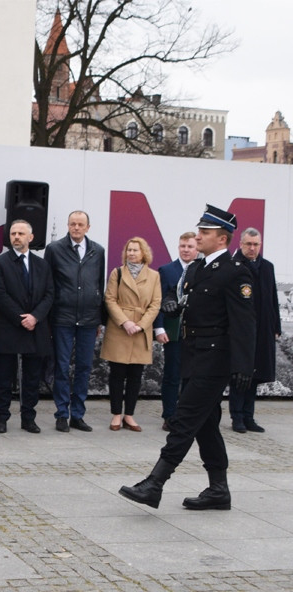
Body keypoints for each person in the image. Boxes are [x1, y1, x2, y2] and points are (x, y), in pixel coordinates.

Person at [119, 204, 254, 511]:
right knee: (206, 423)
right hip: (193, 355)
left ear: (222, 239)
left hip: (215, 359)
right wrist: (171, 305)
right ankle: (219, 489)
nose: (198, 236)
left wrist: (244, 365)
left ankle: (155, 484)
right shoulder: (198, 268)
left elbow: (245, 322)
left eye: (204, 233)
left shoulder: (236, 273)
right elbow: (186, 301)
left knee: (185, 419)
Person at [43, 210, 106, 433]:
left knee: (84, 367)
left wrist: (99, 318)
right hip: (62, 317)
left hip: (89, 319)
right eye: (72, 224)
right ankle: (62, 413)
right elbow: (47, 284)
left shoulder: (98, 251)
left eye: (80, 224)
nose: (76, 228)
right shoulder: (54, 249)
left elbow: (100, 284)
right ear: (67, 226)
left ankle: (77, 414)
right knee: (61, 367)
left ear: (88, 227)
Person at [0, 219, 54, 434]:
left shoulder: (42, 265)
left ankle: (28, 418)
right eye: (13, 233)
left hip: (36, 328)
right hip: (10, 327)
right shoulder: (0, 263)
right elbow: (0, 294)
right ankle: (2, 418)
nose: (16, 237)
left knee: (32, 377)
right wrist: (21, 318)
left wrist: (34, 317)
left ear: (30, 237)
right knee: (4, 377)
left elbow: (49, 294)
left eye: (20, 233)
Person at [100, 237, 161, 432]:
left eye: (135, 250)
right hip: (120, 329)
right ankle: (116, 414)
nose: (132, 253)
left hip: (140, 331)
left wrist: (141, 325)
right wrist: (125, 322)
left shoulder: (154, 276)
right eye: (129, 250)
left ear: (144, 253)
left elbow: (155, 304)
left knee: (136, 375)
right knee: (117, 374)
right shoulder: (117, 273)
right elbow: (109, 299)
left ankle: (130, 415)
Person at [227, 228, 280, 433]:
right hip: (241, 332)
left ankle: (249, 417)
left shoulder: (267, 267)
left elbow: (273, 298)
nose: (252, 248)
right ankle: (237, 417)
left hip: (263, 329)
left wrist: (275, 326)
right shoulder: (234, 266)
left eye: (256, 244)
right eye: (248, 244)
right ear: (240, 244)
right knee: (240, 374)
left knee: (256, 374)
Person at [153, 232, 198, 431]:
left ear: (196, 248)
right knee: (172, 375)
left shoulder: (202, 270)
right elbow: (159, 301)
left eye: (189, 246)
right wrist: (159, 327)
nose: (186, 250)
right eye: (182, 246)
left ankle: (187, 414)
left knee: (192, 377)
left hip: (196, 334)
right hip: (174, 332)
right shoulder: (167, 270)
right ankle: (169, 415)